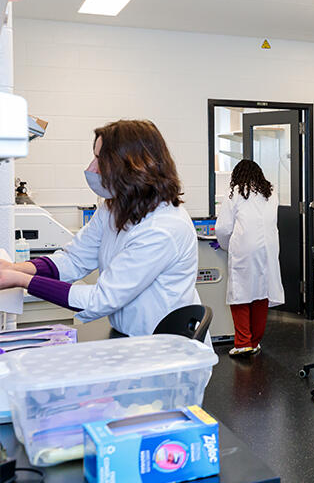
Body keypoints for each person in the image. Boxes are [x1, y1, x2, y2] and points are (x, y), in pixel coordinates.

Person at [0, 120, 200, 337]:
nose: (90, 169)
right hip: (130, 336)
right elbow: (74, 259)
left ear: (132, 166)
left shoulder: (163, 228)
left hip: (165, 346)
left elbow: (101, 299)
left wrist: (20, 280)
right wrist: (14, 268)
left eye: (101, 160)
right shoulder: (114, 208)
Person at [215, 159, 284, 357]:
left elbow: (222, 228)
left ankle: (243, 342)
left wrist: (225, 245)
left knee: (240, 295)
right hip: (268, 249)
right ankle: (254, 342)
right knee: (261, 293)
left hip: (244, 249)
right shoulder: (270, 193)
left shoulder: (236, 192)